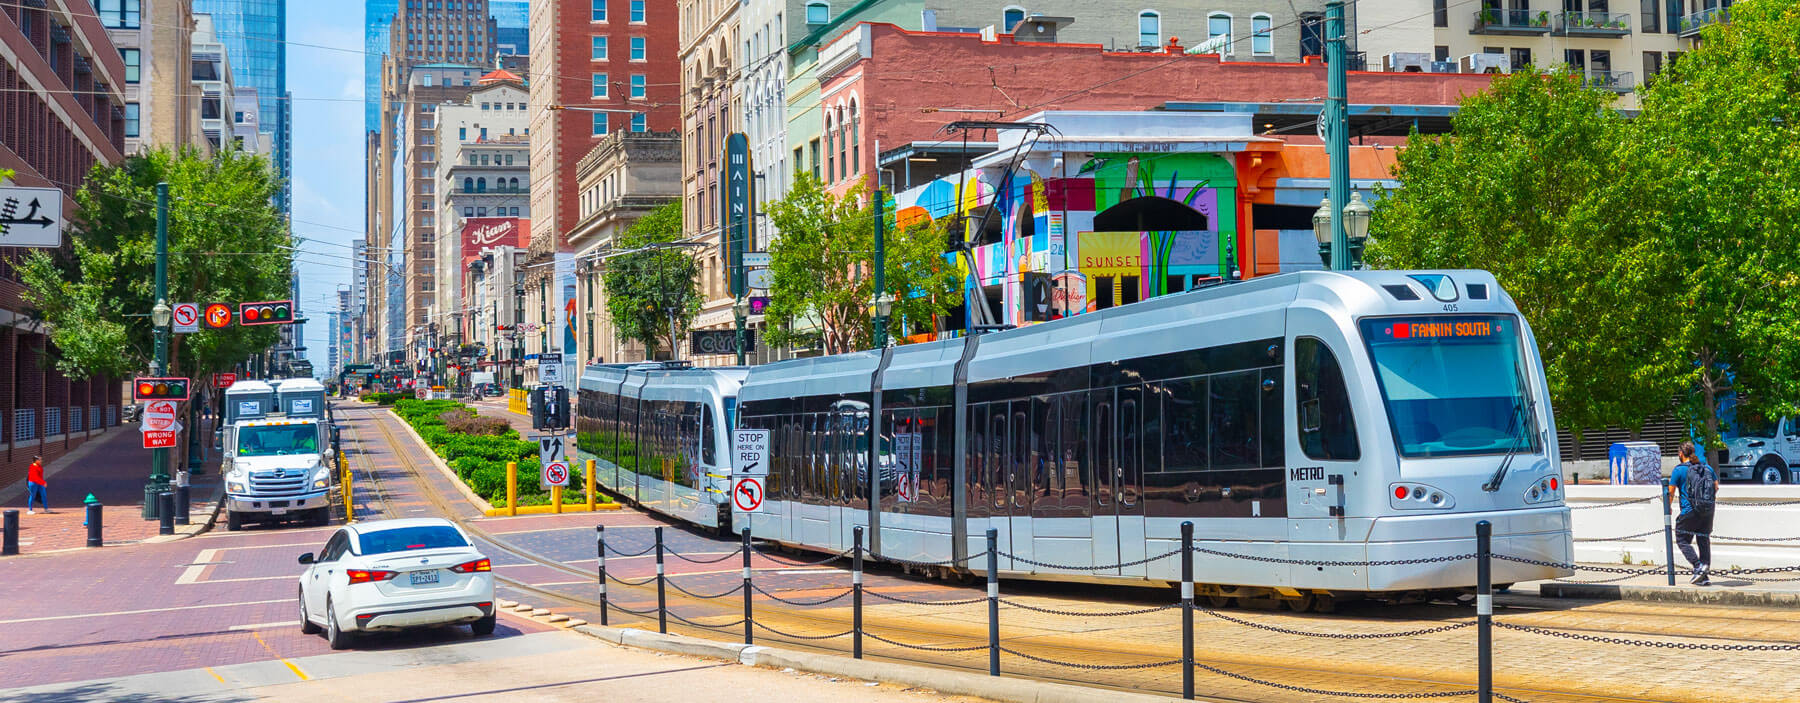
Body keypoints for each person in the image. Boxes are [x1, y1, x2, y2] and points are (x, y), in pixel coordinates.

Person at [1669, 441, 1717, 586]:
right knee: (1703, 539)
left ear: (1681, 454)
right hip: (1708, 511)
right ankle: (1704, 574)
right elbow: (1716, 486)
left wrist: (1668, 507)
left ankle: (1698, 567)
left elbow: (1670, 492)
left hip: (1690, 511)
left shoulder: (1678, 470)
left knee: (1682, 539)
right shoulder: (1706, 467)